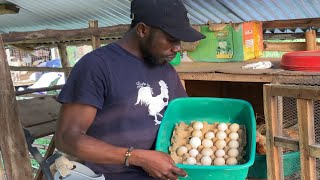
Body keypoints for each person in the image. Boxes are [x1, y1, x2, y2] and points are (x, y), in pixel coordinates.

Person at [55, 0, 206, 179]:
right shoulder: (97, 66)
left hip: (163, 172)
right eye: (171, 38)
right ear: (142, 30)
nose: (178, 47)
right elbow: (67, 139)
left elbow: (182, 117)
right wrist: (138, 158)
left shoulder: (165, 68)